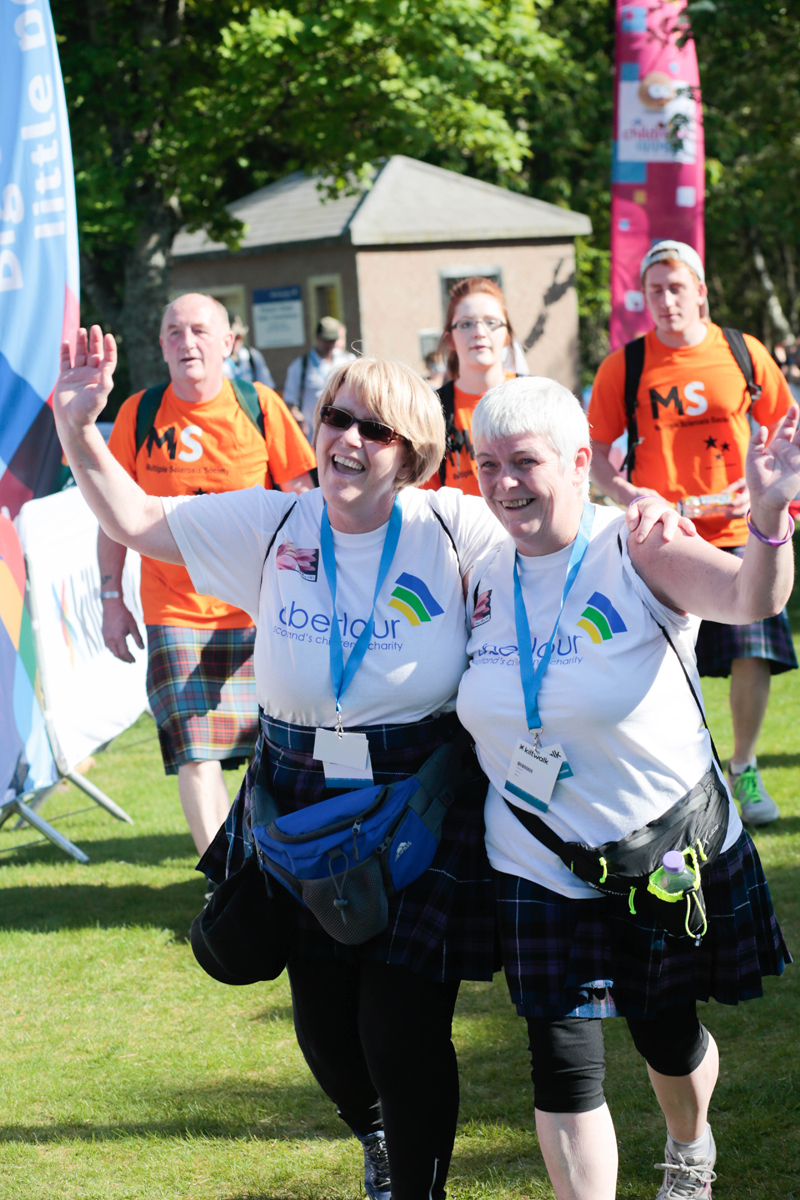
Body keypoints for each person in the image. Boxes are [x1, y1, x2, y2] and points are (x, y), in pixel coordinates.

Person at [457, 375, 792, 1200]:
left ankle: (689, 1147)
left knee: (665, 1035)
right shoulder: (476, 565)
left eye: (524, 462)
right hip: (534, 856)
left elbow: (748, 597)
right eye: (486, 463)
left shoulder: (638, 546)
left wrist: (768, 517)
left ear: (579, 463)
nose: (504, 483)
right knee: (561, 1061)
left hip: (657, 848)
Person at [589, 239, 797, 826]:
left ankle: (745, 764)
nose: (666, 300)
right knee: (662, 660)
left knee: (753, 649)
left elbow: (787, 430)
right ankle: (688, 772)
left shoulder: (743, 351)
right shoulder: (624, 365)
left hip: (740, 528)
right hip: (664, 538)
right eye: (654, 290)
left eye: (676, 287)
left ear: (700, 292)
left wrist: (773, 496)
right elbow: (594, 456)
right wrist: (634, 496)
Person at [99, 294, 316, 856]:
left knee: (276, 749)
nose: (187, 342)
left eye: (199, 330)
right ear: (161, 345)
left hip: (257, 607)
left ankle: (268, 867)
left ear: (229, 343)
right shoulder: (138, 413)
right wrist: (110, 598)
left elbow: (304, 503)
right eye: (174, 331)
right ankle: (224, 884)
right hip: (173, 608)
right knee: (194, 751)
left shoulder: (260, 406)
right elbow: (112, 517)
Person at [424, 276, 517, 494]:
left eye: (491, 322)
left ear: (507, 334)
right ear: (449, 339)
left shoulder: (536, 396)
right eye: (466, 324)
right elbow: (426, 497)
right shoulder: (431, 411)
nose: (479, 332)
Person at [283, 316, 355, 438]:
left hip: (343, 431)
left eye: (332, 340)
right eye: (326, 340)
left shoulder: (348, 360)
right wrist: (299, 421)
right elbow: (289, 401)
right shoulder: (300, 366)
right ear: (317, 337)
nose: (329, 345)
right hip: (312, 433)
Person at [222, 313, 276, 388]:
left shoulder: (252, 356)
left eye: (238, 337)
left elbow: (266, 386)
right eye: (232, 338)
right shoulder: (217, 360)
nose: (235, 341)